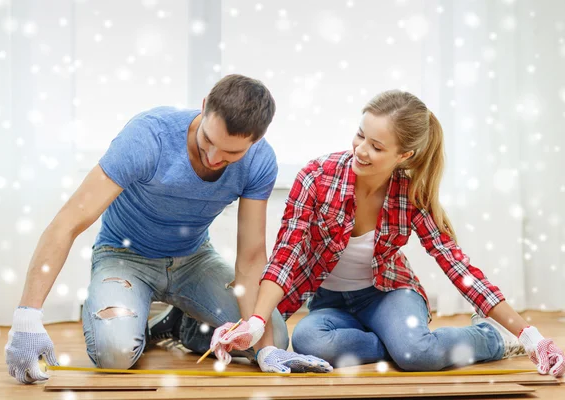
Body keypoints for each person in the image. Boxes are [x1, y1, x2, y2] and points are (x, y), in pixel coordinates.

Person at [210, 90, 565, 377]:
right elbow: (285, 257)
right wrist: (256, 323)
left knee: (415, 353)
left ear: (404, 154)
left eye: (377, 147)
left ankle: (489, 339)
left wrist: (529, 335)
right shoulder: (316, 178)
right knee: (307, 339)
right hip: (330, 301)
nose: (361, 150)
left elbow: (458, 268)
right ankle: (401, 341)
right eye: (360, 135)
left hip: (388, 294)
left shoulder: (412, 194)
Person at [6, 74, 298, 384]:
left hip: (194, 259)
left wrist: (263, 348)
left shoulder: (260, 162)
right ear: (203, 107)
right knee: (115, 354)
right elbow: (67, 222)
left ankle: (182, 326)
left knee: (274, 338)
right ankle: (126, 316)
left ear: (254, 142)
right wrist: (27, 316)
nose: (214, 158)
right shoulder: (148, 137)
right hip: (124, 255)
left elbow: (252, 257)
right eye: (209, 141)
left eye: (231, 154)